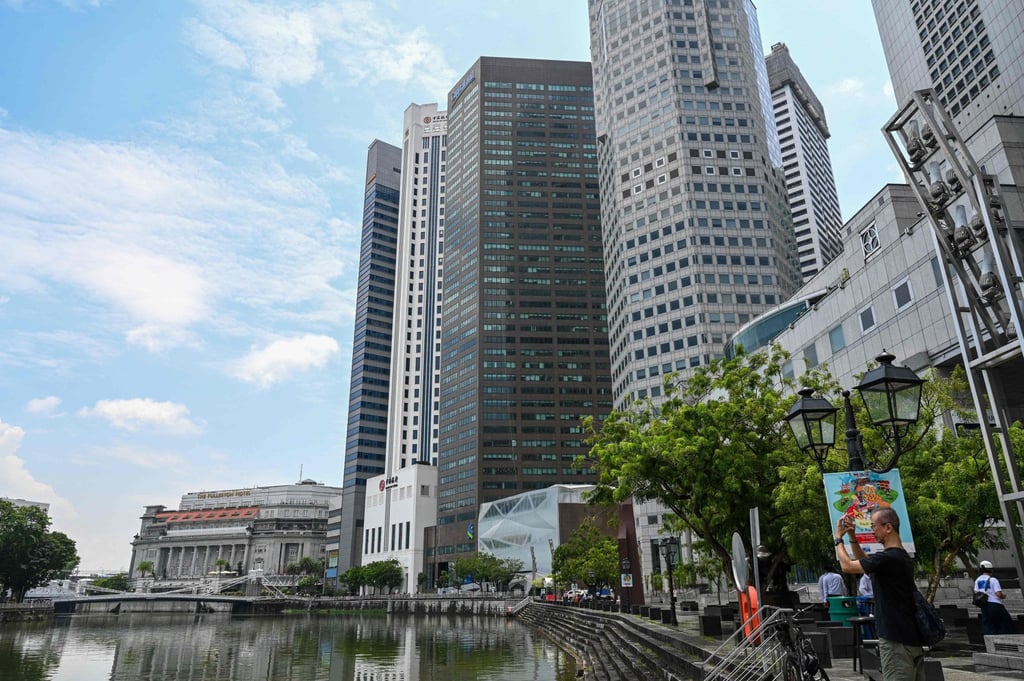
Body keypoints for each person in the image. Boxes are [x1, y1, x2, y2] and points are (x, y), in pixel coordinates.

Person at [835, 507, 924, 681]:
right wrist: (853, 537)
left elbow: (847, 566)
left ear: (888, 527)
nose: (872, 531)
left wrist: (838, 539)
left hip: (895, 640)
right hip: (909, 637)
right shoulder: (899, 557)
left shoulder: (889, 558)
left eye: (874, 526)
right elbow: (867, 565)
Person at [975, 560, 1014, 635]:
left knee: (988, 626)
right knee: (1005, 624)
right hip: (995, 605)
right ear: (990, 570)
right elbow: (998, 594)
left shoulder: (978, 580)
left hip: (984, 606)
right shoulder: (993, 580)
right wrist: (1004, 596)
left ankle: (991, 643)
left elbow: (976, 592)